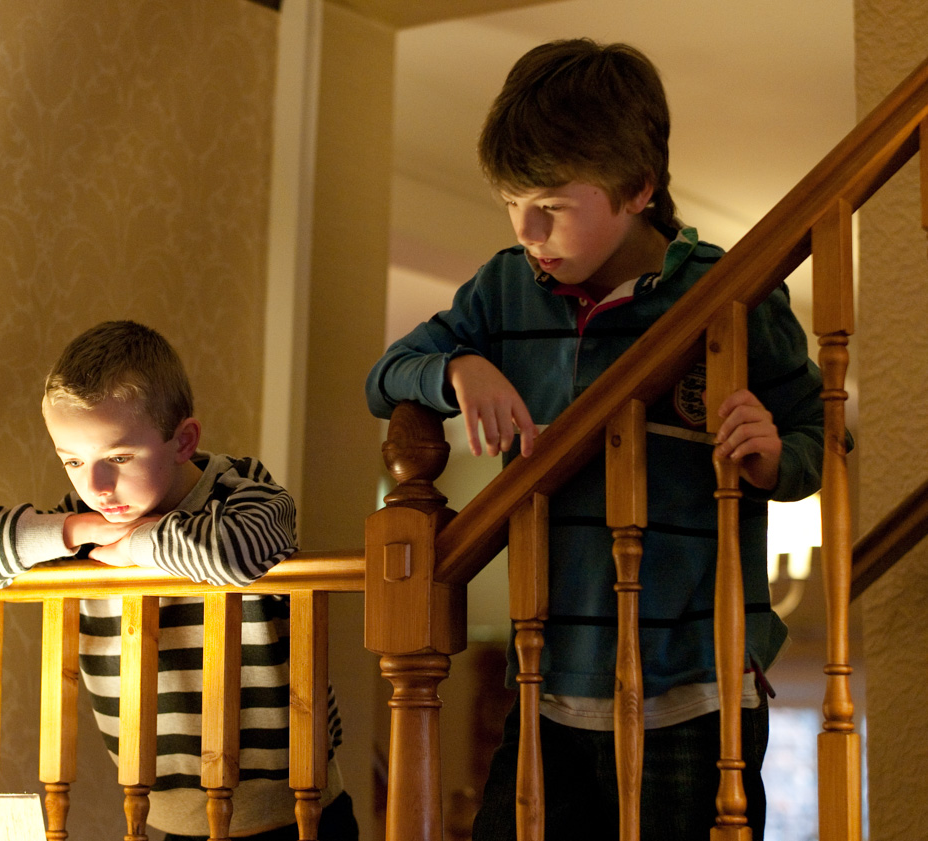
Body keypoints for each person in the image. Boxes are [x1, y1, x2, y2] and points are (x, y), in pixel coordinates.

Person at [365, 39, 827, 840]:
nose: (527, 228)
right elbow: (387, 374)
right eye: (511, 201)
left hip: (698, 683)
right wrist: (459, 366)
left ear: (639, 188)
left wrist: (776, 458)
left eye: (551, 204)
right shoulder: (504, 287)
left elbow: (819, 431)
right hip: (546, 675)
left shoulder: (730, 291)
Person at [0, 320, 357, 841]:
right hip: (166, 811)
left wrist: (135, 544)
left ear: (184, 441)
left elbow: (231, 552)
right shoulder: (83, 524)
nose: (96, 485)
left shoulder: (242, 493)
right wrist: (73, 530)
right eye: (73, 460)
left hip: (298, 809)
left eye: (118, 457)